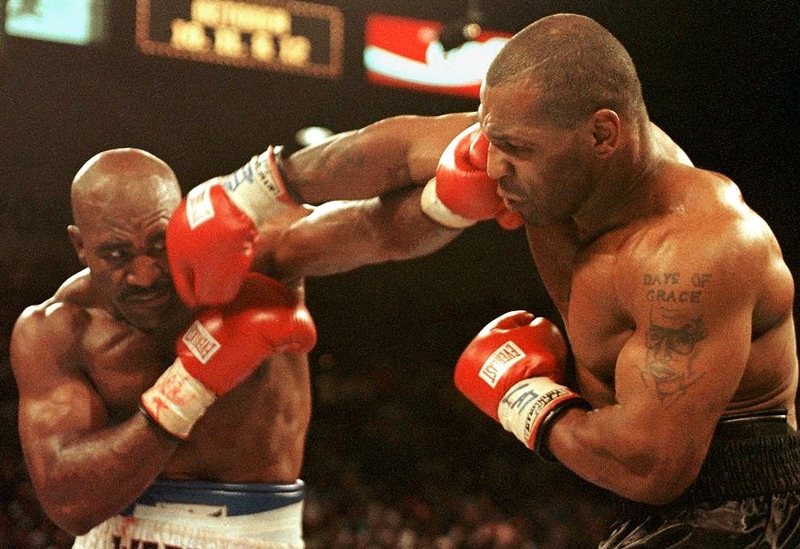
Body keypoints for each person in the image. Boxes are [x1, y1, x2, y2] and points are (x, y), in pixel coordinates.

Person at [8, 112, 479, 548]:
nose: (146, 273)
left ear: (179, 218)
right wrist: (188, 387)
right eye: (117, 255)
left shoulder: (254, 262)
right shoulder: (57, 329)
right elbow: (69, 504)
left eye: (159, 243)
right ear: (79, 246)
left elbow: (376, 231)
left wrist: (456, 195)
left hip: (253, 534)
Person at [442, 13, 799, 547]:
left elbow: (652, 467)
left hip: (739, 519)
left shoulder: (696, 250)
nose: (492, 166)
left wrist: (526, 399)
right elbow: (400, 150)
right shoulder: (550, 170)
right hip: (645, 512)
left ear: (602, 134)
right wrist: (274, 196)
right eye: (493, 139)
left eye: (517, 149)